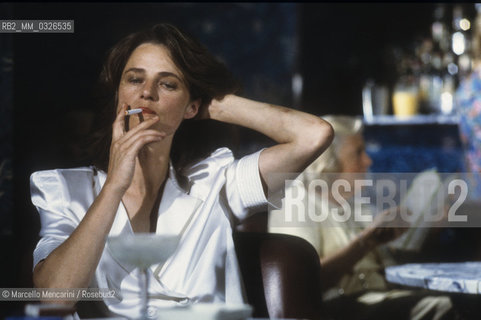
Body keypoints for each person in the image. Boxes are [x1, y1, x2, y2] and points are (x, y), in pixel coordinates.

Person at [30, 23, 334, 318]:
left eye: (167, 83)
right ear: (118, 94)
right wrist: (113, 189)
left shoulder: (216, 182)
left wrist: (212, 106)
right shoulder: (64, 190)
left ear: (191, 107)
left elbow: (314, 135)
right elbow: (54, 299)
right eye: (135, 79)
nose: (147, 93)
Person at [269, 115, 454, 320]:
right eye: (358, 153)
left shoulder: (355, 203)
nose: (368, 160)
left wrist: (429, 230)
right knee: (446, 306)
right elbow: (302, 280)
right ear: (328, 162)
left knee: (459, 301)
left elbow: (390, 267)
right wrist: (366, 241)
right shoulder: (295, 202)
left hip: (383, 297)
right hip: (340, 306)